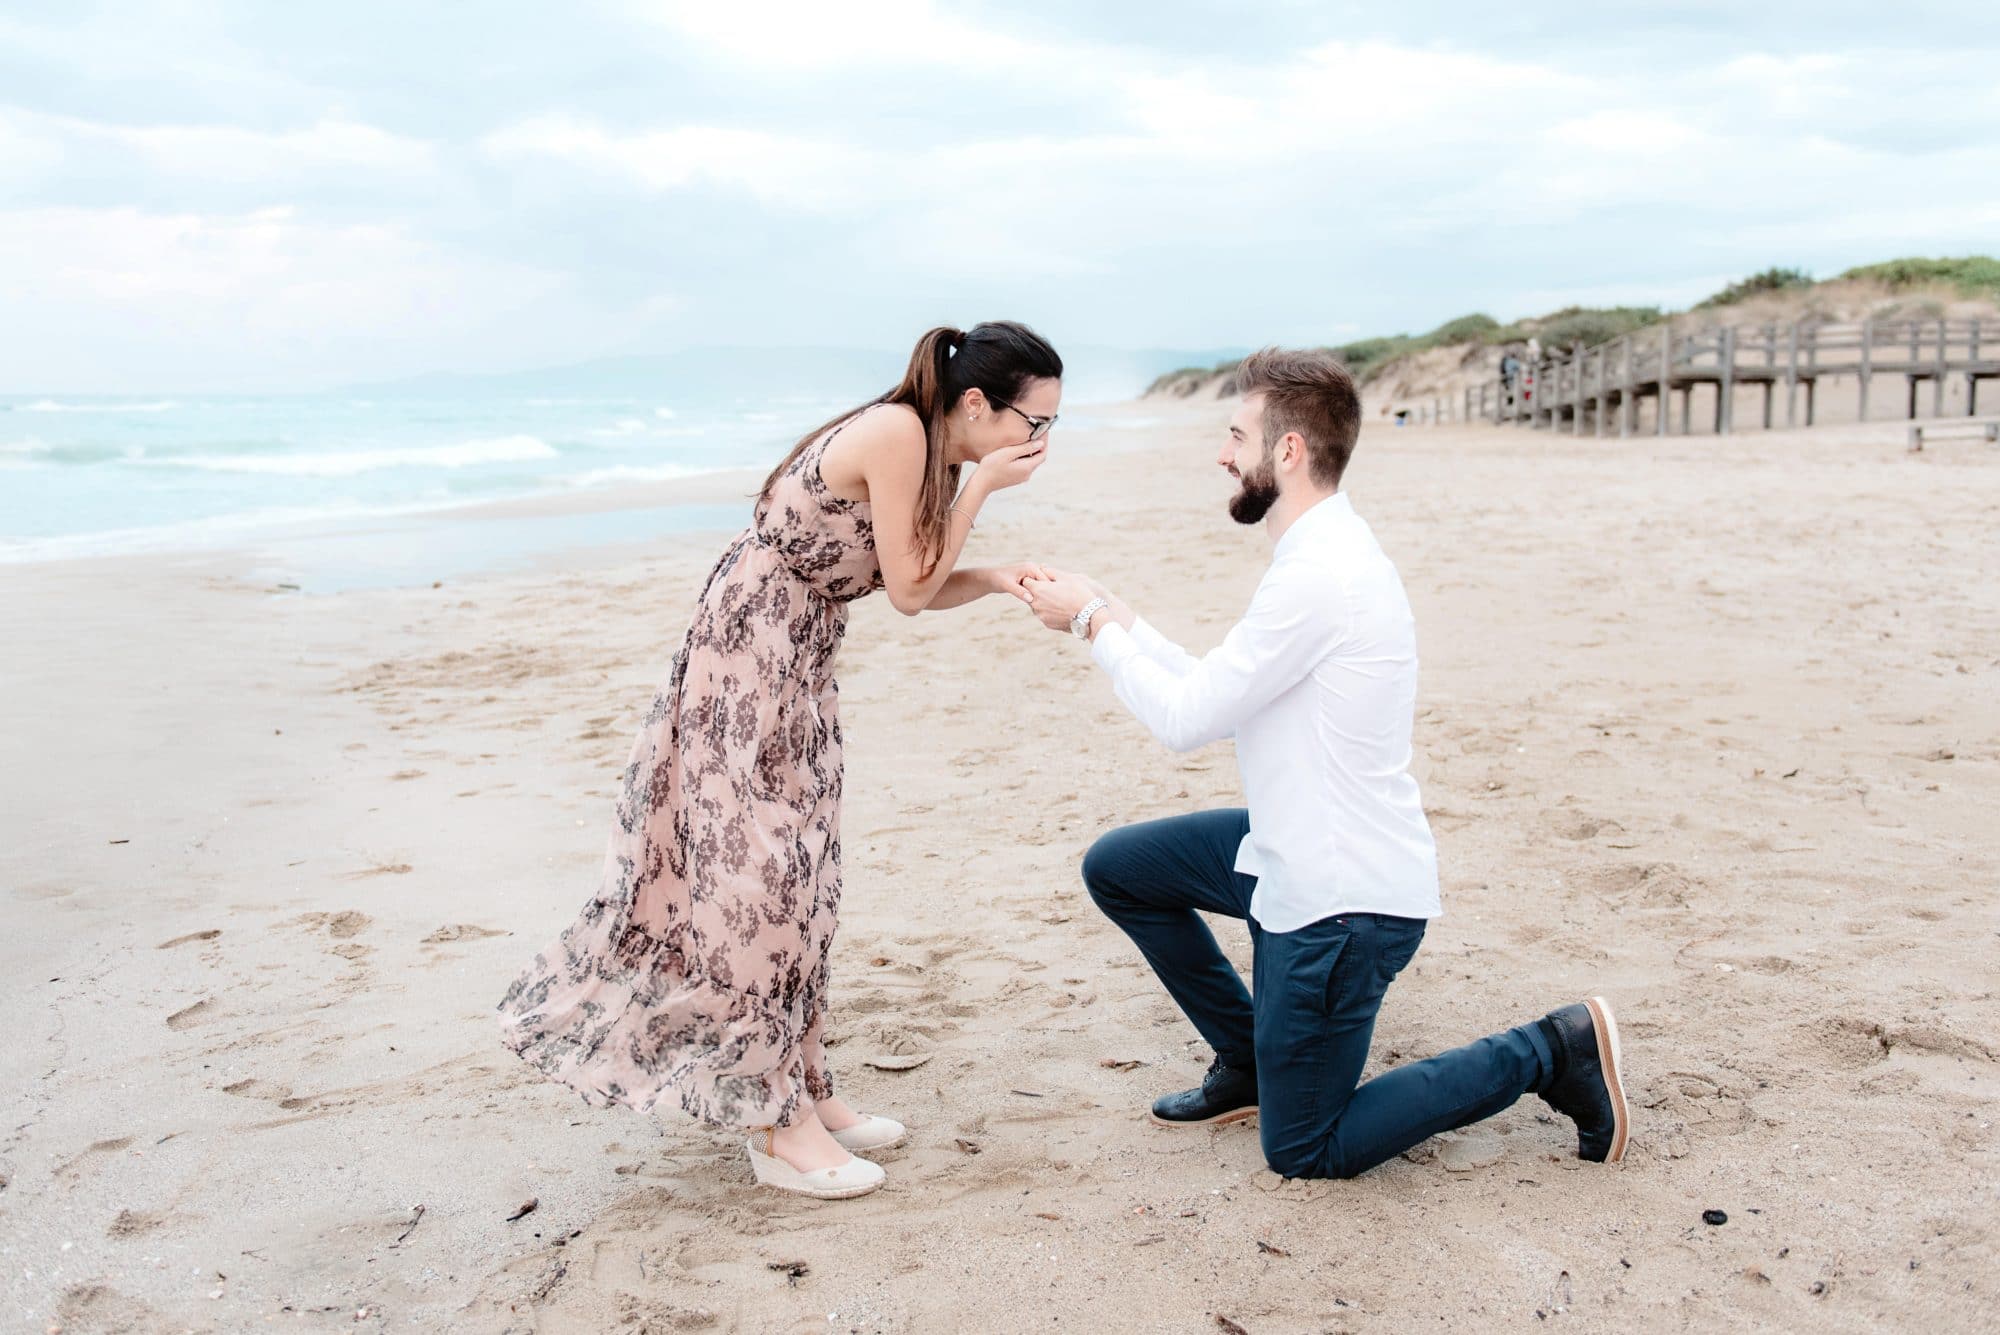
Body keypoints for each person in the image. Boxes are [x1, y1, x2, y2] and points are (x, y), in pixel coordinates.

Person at [1021, 347, 1629, 1180]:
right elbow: (1224, 691)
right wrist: (1119, 615)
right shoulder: (1318, 557)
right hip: (1291, 845)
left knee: (1305, 1147)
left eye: (1237, 435)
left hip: (1344, 900)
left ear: (1290, 450)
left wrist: (1092, 621)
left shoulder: (1321, 576)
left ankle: (1551, 1050)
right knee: (1122, 868)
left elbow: (1186, 720)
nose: (1223, 454)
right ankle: (1252, 1063)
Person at [498, 322, 1064, 1199]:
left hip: (796, 657)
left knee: (805, 877)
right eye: (1037, 422)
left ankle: (803, 1083)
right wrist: (983, 488)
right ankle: (774, 1122)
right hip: (748, 654)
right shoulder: (899, 433)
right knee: (759, 881)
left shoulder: (932, 452)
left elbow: (902, 577)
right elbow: (912, 590)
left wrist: (993, 576)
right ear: (979, 404)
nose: (1041, 442)